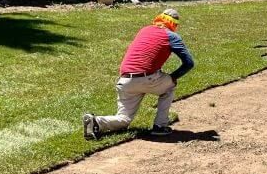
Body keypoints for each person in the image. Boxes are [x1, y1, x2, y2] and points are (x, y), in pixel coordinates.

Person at [83, 8, 194, 140]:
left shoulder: (144, 30)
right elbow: (189, 63)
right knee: (170, 86)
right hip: (148, 78)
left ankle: (96, 121)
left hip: (125, 81)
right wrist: (173, 77)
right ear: (174, 24)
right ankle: (160, 126)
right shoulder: (172, 36)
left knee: (124, 119)